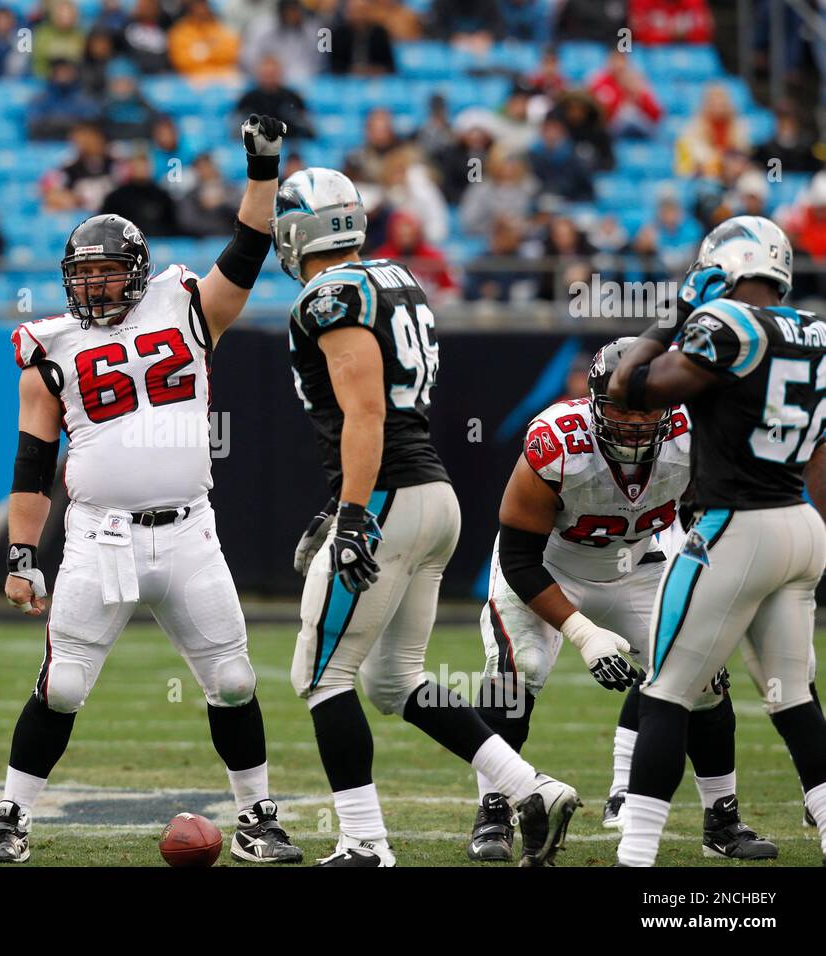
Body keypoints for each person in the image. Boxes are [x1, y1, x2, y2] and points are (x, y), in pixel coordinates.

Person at [0, 116, 304, 866]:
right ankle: (10, 816)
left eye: (107, 271)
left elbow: (250, 248)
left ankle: (258, 816)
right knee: (61, 686)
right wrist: (24, 552)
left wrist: (264, 167)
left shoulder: (183, 304)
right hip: (98, 536)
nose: (94, 284)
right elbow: (32, 462)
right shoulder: (51, 346)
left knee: (232, 678)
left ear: (137, 269)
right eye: (83, 274)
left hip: (190, 532)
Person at [273, 167, 580, 867]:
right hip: (429, 499)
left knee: (321, 676)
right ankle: (529, 786)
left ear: (298, 231)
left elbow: (366, 409)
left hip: (386, 497)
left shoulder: (332, 294)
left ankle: (364, 841)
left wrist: (352, 512)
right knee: (393, 679)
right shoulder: (395, 280)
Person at [465, 339, 775, 862]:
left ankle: (722, 820)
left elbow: (712, 519)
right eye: (621, 407)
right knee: (518, 672)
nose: (634, 420)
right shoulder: (556, 441)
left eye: (647, 406)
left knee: (702, 675)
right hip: (548, 567)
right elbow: (520, 559)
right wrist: (583, 635)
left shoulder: (695, 437)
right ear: (592, 402)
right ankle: (494, 809)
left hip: (636, 568)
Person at [608, 215, 826, 866]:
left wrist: (674, 310)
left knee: (667, 690)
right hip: (799, 528)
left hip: (734, 527)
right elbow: (820, 454)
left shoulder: (727, 324)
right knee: (794, 699)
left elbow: (631, 387)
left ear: (724, 265)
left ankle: (637, 857)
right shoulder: (817, 332)